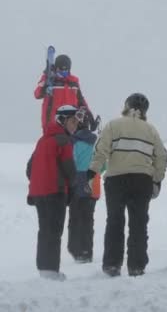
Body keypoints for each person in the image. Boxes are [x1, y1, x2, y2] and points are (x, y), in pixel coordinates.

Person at [87, 93, 167, 277]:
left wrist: (93, 173)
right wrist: (156, 179)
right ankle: (137, 266)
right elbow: (162, 157)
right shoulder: (151, 130)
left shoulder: (113, 125)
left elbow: (101, 151)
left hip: (116, 180)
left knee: (115, 221)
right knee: (139, 223)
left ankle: (112, 264)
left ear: (126, 106)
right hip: (142, 181)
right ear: (145, 111)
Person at [26, 105, 84, 281]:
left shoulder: (42, 141)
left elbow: (29, 169)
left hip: (38, 193)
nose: (75, 126)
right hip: (55, 192)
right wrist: (72, 187)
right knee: (54, 231)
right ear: (62, 120)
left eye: (76, 122)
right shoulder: (63, 141)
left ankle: (44, 269)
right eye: (72, 121)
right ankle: (51, 271)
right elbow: (70, 170)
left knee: (44, 230)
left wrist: (41, 180)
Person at [67, 109, 102, 264]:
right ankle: (86, 251)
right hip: (93, 185)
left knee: (75, 218)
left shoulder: (73, 141)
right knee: (88, 219)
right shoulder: (97, 143)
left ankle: (76, 250)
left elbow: (70, 162)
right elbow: (104, 164)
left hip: (76, 184)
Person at [34, 54, 94, 133]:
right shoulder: (50, 80)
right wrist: (45, 85)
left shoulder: (73, 82)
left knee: (70, 144)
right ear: (56, 68)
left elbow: (81, 101)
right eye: (60, 69)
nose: (63, 72)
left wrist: (89, 116)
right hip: (52, 123)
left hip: (71, 124)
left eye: (66, 70)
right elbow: (37, 94)